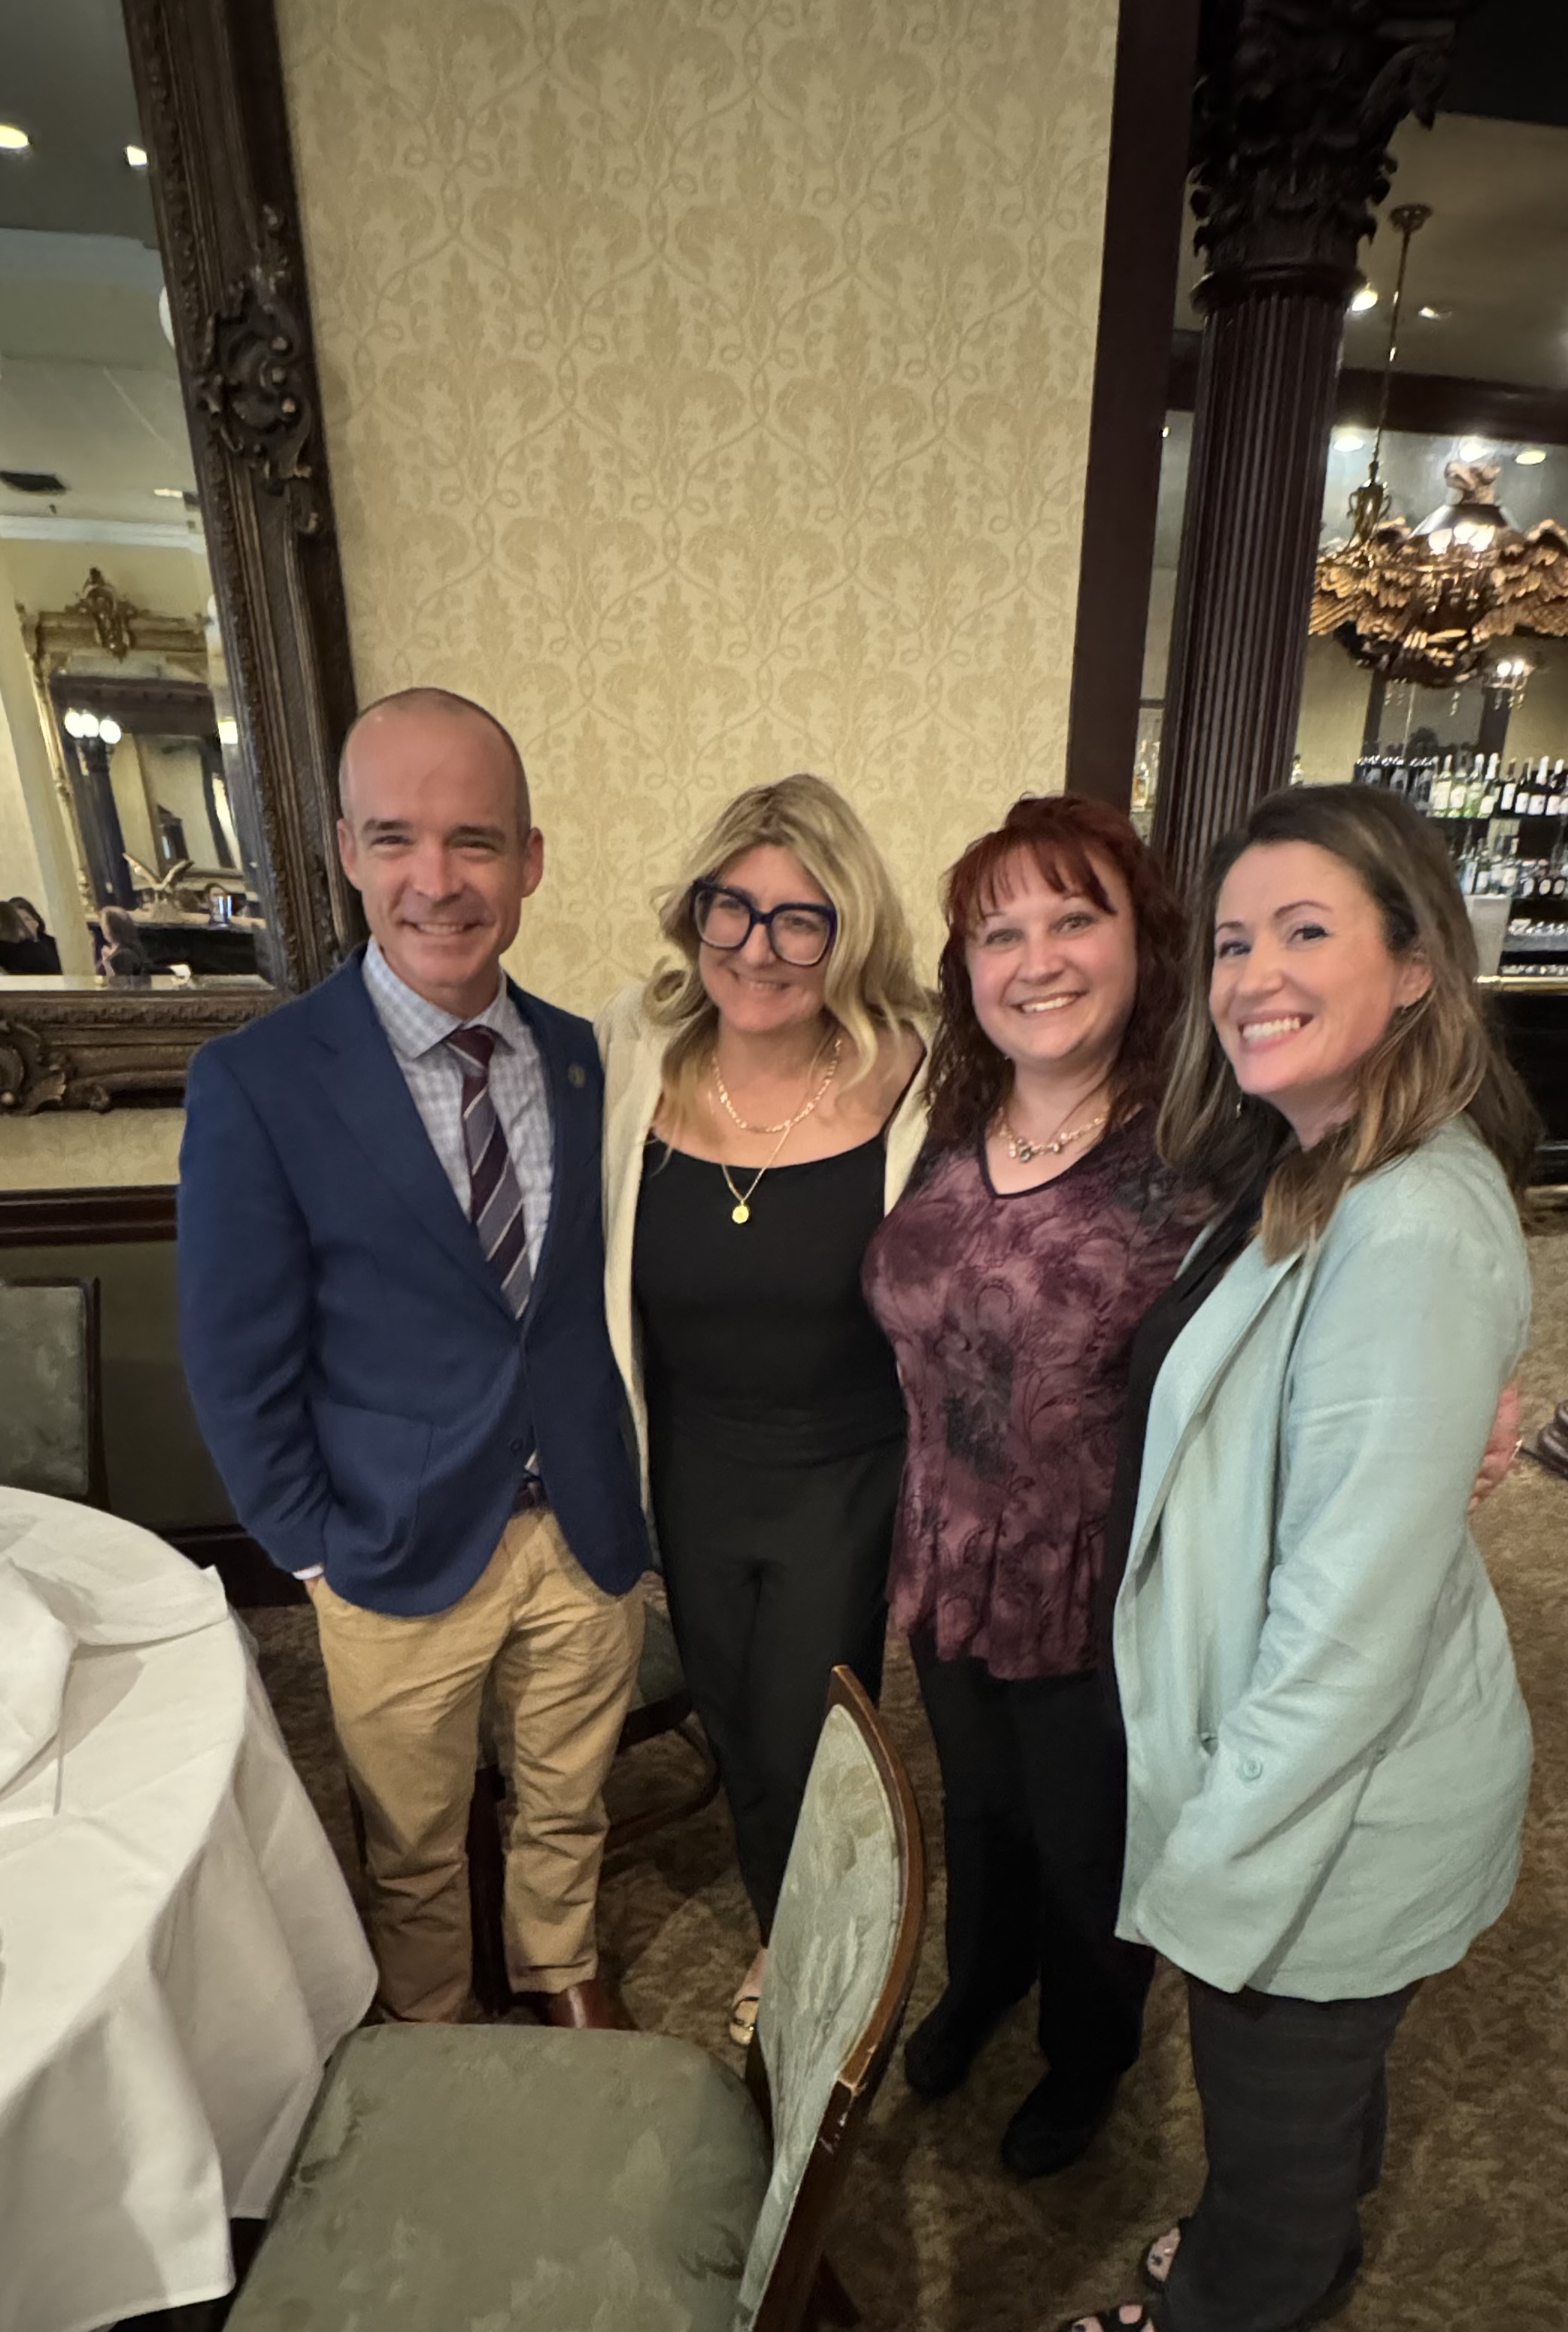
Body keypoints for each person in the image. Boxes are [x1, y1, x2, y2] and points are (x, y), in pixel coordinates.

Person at [1059, 780, 1538, 2332]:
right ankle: (1295, 2252)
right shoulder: (1327, 1161)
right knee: (1323, 2086)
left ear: (1415, 967)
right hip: (1328, 1762)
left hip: (1333, 1794)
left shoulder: (1406, 1225)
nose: (1253, 974)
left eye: (1307, 931)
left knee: (1275, 2087)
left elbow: (1343, 1635)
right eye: (1234, 940)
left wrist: (1217, 1863)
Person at [178, 686, 649, 2031]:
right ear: (346, 851)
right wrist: (309, 1546)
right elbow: (234, 1353)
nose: (436, 881)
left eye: (474, 840)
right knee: (414, 1835)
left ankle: (557, 1964)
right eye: (395, 839)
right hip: (390, 1543)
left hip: (583, 1524)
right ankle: (431, 2018)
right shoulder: (261, 1081)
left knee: (568, 1794)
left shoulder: (583, 1058)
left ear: (530, 859)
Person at [863, 793, 1203, 2179]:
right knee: (981, 1806)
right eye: (999, 933)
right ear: (966, 969)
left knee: (1087, 1844)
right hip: (947, 1544)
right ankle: (984, 1980)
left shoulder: (1203, 1149)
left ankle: (1087, 2053)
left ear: (1142, 945)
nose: (1037, 959)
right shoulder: (939, 1121)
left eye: (1075, 919)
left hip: (1093, 1580)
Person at [599, 774, 932, 2039]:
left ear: (850, 930)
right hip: (690, 1462)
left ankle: (817, 1953)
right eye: (730, 908)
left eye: (802, 919)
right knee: (736, 1718)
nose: (758, 947)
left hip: (843, 1466)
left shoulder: (920, 1073)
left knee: (811, 1722)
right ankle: (777, 1921)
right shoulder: (633, 1054)